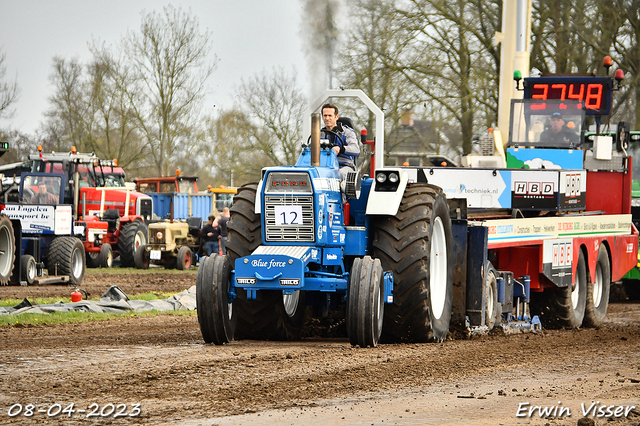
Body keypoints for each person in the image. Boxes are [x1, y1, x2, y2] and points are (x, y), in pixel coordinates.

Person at [321, 103, 360, 180]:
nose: (327, 118)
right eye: (325, 115)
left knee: (339, 174)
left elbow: (355, 149)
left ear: (337, 117)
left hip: (344, 165)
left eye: (330, 115)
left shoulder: (347, 132)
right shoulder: (319, 135)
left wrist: (340, 149)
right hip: (324, 165)